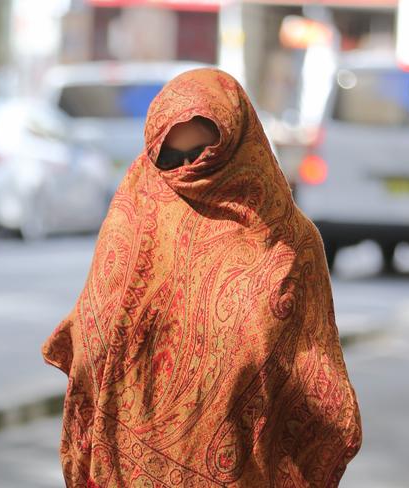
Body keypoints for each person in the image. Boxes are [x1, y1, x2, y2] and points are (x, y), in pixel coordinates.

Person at [42, 68, 362, 487]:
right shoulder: (132, 217)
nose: (188, 174)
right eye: (171, 160)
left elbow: (316, 390)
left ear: (237, 148)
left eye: (204, 158)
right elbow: (93, 337)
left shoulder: (288, 241)